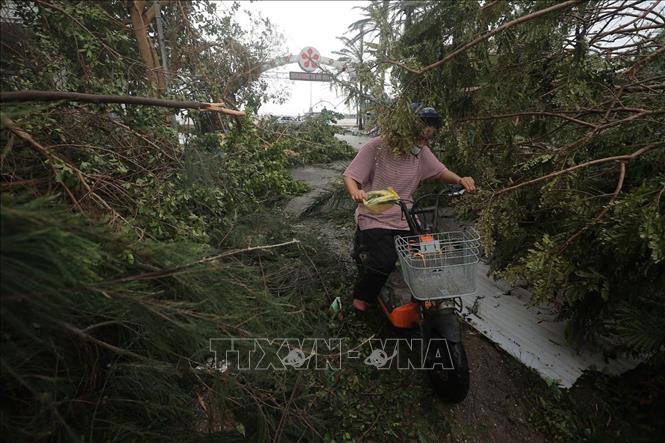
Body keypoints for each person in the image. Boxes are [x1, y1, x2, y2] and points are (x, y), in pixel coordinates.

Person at [342, 105, 476, 312]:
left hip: (406, 215)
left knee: (429, 254)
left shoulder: (421, 152)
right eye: (420, 137)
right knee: (384, 260)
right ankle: (362, 297)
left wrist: (460, 179)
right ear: (405, 131)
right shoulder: (376, 147)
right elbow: (351, 175)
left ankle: (423, 298)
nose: (422, 143)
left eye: (426, 139)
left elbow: (440, 171)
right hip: (375, 215)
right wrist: (356, 192)